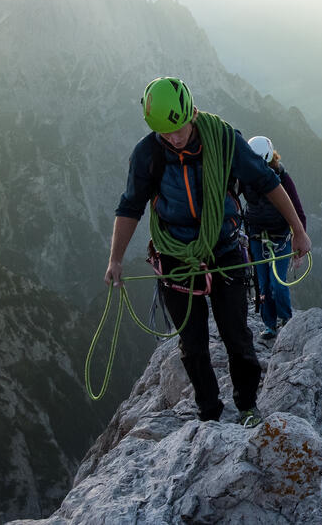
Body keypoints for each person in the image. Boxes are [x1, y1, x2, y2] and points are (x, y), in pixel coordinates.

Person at [104, 77, 310, 426]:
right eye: (165, 133)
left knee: (237, 335)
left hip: (224, 248)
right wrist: (115, 258)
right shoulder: (149, 153)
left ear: (191, 113)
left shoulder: (223, 139)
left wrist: (298, 230)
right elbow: (131, 206)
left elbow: (267, 181)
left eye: (178, 129)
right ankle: (209, 412)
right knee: (192, 342)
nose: (173, 137)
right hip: (175, 256)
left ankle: (247, 405)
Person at [241, 135, 307, 341]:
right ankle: (270, 325)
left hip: (280, 238)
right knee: (263, 284)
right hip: (256, 236)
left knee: (277, 284)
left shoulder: (283, 179)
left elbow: (297, 210)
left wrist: (300, 238)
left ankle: (286, 319)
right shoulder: (244, 177)